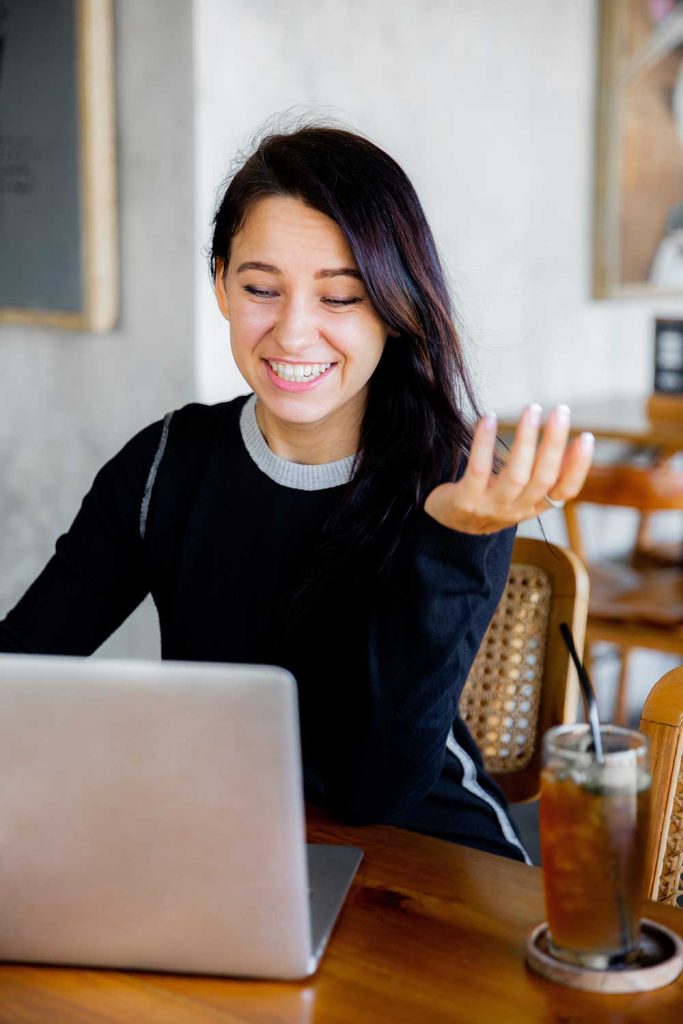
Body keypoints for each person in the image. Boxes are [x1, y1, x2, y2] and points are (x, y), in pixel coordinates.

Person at [0, 121, 594, 863]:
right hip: (236, 841)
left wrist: (451, 546)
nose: (293, 332)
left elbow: (380, 791)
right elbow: (20, 667)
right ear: (220, 283)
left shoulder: (452, 481)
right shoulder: (164, 464)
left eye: (340, 297)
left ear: (393, 302)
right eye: (260, 289)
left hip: (430, 856)